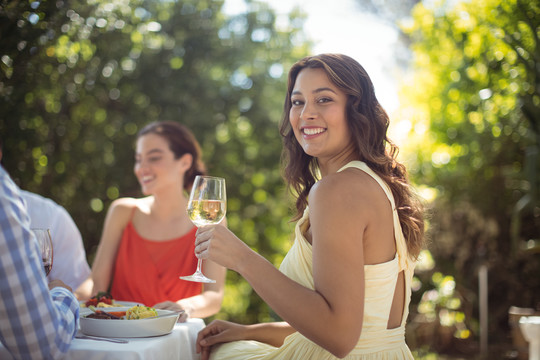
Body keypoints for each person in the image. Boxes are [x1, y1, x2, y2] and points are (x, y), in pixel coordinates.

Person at [194, 53, 425, 359]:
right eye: (298, 102)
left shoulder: (337, 191)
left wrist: (242, 259)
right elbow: (358, 329)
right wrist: (247, 331)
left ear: (356, 110)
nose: (306, 114)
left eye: (324, 100)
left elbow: (340, 337)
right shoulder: (375, 185)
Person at [91, 121, 226, 322]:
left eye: (154, 158)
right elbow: (96, 288)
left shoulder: (208, 219)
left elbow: (214, 297)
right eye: (138, 160)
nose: (142, 168)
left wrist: (184, 307)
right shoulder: (122, 212)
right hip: (120, 334)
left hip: (174, 337)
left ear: (185, 162)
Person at [0, 166, 80, 359]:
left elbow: (83, 289)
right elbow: (41, 346)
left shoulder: (53, 216)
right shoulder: (3, 200)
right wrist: (60, 293)